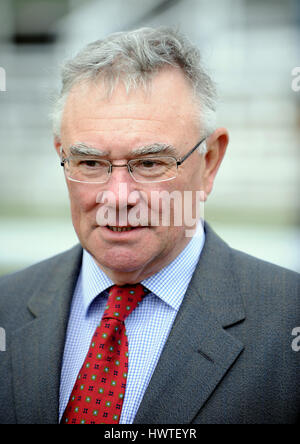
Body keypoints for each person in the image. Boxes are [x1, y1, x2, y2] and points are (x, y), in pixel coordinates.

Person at [0, 27, 299, 425]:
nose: (118, 196)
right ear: (62, 155)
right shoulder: (7, 307)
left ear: (209, 162)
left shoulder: (287, 321)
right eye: (90, 163)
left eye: (150, 163)